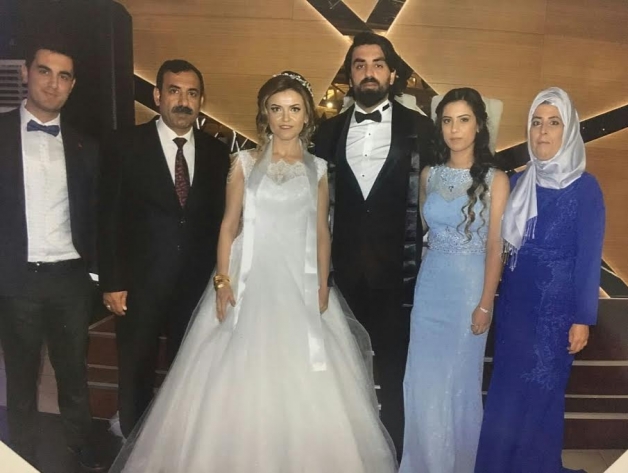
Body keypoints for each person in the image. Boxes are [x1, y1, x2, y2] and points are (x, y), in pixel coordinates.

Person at [108, 72, 397, 473]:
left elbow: (321, 232)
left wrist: (322, 283)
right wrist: (222, 280)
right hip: (248, 276)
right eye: (277, 109)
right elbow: (228, 225)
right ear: (265, 114)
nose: (285, 118)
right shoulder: (244, 162)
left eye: (294, 109)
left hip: (298, 278)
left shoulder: (318, 169)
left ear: (306, 116)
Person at [311, 32, 433, 455]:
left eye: (377, 64)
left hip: (398, 278)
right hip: (341, 278)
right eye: (359, 65)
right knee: (343, 375)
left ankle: (394, 456)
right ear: (349, 75)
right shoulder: (326, 133)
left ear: (392, 73)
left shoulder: (421, 129)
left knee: (395, 375)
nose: (368, 72)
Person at [475, 87, 605, 473]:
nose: (543, 131)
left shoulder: (586, 188)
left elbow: (589, 258)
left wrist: (582, 318)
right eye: (536, 122)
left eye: (553, 122)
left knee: (541, 398)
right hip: (515, 308)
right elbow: (496, 244)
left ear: (569, 130)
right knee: (506, 394)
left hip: (556, 316)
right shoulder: (517, 183)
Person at [98, 59, 230, 437]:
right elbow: (107, 217)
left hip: (194, 286)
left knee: (187, 368)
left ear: (201, 100)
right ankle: (133, 440)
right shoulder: (124, 144)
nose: (183, 101)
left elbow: (219, 220)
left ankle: (175, 441)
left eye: (192, 93)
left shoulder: (216, 152)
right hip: (138, 285)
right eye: (174, 91)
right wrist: (112, 281)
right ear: (157, 96)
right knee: (135, 368)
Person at [0, 41, 104, 471]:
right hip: (15, 278)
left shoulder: (86, 146)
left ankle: (82, 450)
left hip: (69, 280)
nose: (53, 83)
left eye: (64, 76)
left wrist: (96, 274)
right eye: (44, 71)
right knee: (20, 380)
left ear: (72, 85)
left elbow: (96, 215)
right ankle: (20, 457)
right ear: (26, 72)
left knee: (74, 375)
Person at [400, 88, 509, 473]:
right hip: (431, 289)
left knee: (457, 384)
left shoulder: (496, 179)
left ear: (479, 125)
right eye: (447, 121)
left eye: (463, 120)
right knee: (422, 382)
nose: (454, 129)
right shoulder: (428, 175)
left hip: (469, 291)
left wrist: (486, 304)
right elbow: (427, 235)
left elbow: (496, 246)